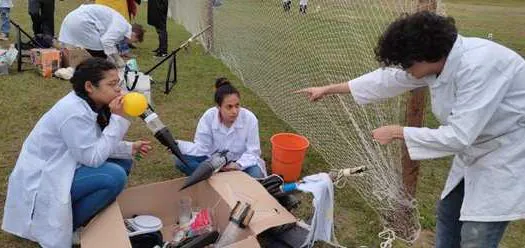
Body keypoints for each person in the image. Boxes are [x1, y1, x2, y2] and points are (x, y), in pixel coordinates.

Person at [297, 11, 525, 248]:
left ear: (424, 56)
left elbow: (459, 136)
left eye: (406, 64)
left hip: (506, 156)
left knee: (478, 235)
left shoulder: (480, 67)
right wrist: (328, 89)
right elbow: (387, 80)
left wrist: (398, 132)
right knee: (448, 216)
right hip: (477, 150)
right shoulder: (439, 62)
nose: (404, 70)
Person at [2, 58, 152, 247]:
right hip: (44, 178)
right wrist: (118, 119)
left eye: (118, 83)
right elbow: (93, 158)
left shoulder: (90, 103)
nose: (118, 90)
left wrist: (129, 148)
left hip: (66, 164)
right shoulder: (73, 112)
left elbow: (93, 144)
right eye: (112, 84)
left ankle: (75, 216)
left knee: (124, 161)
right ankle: (65, 227)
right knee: (114, 176)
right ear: (90, 86)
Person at [174, 77, 267, 178]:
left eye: (237, 105)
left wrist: (237, 165)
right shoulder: (209, 116)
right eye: (229, 107)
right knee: (180, 161)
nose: (235, 111)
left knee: (256, 174)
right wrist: (178, 146)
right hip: (213, 161)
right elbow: (202, 148)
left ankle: (212, 179)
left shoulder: (250, 119)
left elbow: (253, 152)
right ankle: (218, 179)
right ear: (218, 107)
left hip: (240, 162)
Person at [58, 4, 145, 67]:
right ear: (134, 34)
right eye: (135, 41)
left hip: (73, 18)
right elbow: (106, 41)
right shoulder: (122, 27)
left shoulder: (122, 25)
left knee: (78, 49)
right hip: (81, 21)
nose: (134, 43)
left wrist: (112, 57)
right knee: (99, 52)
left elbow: (109, 43)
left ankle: (70, 62)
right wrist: (117, 59)